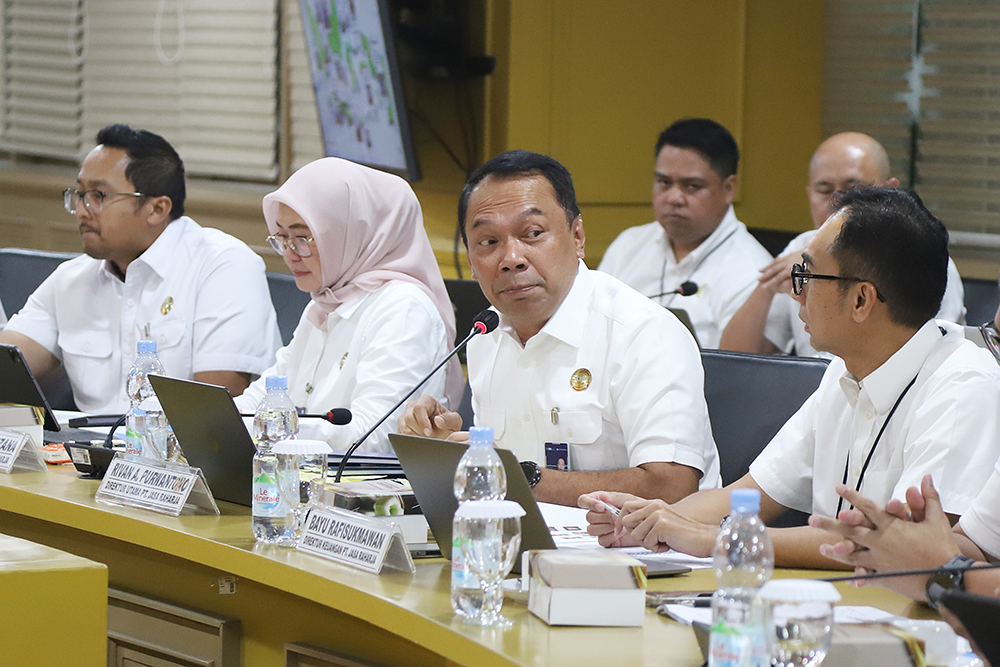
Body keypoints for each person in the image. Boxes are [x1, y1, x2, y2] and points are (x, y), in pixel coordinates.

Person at [581, 187, 1000, 568]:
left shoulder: (964, 386)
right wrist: (646, 521)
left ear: (860, 299)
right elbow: (751, 494)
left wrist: (715, 539)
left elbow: (903, 548)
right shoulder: (844, 368)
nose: (795, 293)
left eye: (807, 276)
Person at [400, 149, 721, 507]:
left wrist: (517, 477)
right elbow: (494, 477)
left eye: (533, 233)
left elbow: (672, 486)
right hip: (527, 546)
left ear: (578, 236)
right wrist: (445, 447)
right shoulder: (484, 334)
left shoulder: (644, 332)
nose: (511, 259)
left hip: (645, 556)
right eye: (488, 242)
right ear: (471, 260)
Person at [0, 124, 280, 414]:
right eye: (79, 194)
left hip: (176, 455)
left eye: (99, 196)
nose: (82, 210)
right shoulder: (72, 279)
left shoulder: (223, 266)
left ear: (157, 209)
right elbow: (8, 363)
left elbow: (214, 413)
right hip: (87, 455)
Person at [234, 157, 455, 454]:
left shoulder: (403, 308)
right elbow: (266, 395)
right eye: (282, 238)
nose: (290, 254)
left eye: (303, 237)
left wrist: (275, 427)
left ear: (351, 231)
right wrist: (208, 419)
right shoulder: (327, 301)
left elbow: (375, 438)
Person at [720, 132, 966, 356]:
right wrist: (769, 286)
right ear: (809, 194)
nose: (837, 203)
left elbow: (927, 359)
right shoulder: (803, 247)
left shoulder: (922, 257)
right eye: (824, 190)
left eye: (854, 189)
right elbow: (734, 361)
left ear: (890, 191)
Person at [597, 118, 773, 348]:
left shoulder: (753, 271)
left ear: (729, 188)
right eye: (664, 183)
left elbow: (734, 373)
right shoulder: (629, 244)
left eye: (692, 186)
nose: (674, 198)